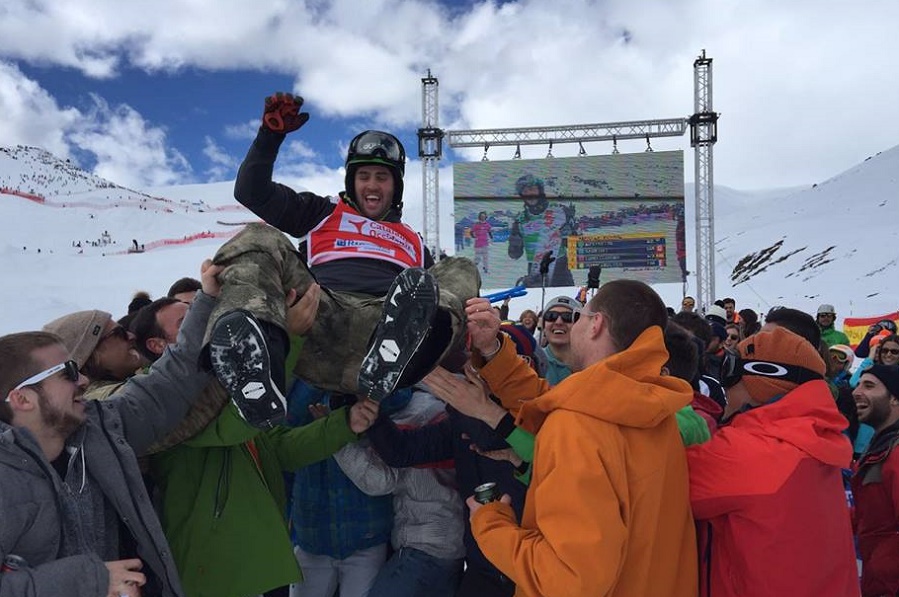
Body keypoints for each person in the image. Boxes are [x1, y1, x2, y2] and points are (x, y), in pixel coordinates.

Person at [204, 92, 478, 427]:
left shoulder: (414, 242)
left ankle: (405, 355)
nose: (372, 185)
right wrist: (269, 136)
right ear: (352, 180)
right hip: (320, 316)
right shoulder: (324, 211)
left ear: (396, 186)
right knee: (258, 237)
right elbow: (251, 193)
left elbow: (445, 291)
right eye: (364, 176)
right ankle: (256, 362)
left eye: (382, 177)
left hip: (380, 330)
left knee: (462, 268)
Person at [138, 287, 380, 597]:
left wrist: (345, 424)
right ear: (158, 345)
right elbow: (240, 423)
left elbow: (278, 449)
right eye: (187, 321)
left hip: (259, 560)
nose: (204, 324)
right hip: (214, 571)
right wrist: (288, 339)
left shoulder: (219, 388)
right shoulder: (156, 403)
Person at [461, 279, 698, 596]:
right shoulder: (651, 411)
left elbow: (569, 580)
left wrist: (491, 524)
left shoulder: (576, 427)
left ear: (596, 324)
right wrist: (492, 349)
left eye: (580, 316)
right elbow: (556, 399)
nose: (571, 325)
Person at [0, 260, 221, 597]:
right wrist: (89, 581)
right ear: (23, 398)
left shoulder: (99, 428)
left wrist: (207, 298)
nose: (84, 381)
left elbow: (170, 382)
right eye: (68, 373)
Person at [686, 327, 859, 596]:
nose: (726, 386)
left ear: (762, 379)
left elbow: (658, 478)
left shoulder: (750, 452)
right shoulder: (819, 438)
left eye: (731, 371)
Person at [851, 364, 899, 596]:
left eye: (869, 386)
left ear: (895, 399)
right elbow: (868, 513)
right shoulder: (881, 447)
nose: (856, 391)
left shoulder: (897, 452)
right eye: (858, 384)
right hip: (877, 581)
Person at [507, 173, 577, 287]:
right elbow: (514, 255)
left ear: (540, 191)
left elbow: (577, 244)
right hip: (535, 272)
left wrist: (569, 235)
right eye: (525, 191)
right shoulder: (520, 220)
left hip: (560, 269)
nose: (529, 194)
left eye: (532, 189)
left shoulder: (559, 212)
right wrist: (514, 244)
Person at [538, 295, 580, 385]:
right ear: (544, 326)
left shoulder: (592, 362)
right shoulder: (534, 362)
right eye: (551, 316)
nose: (559, 322)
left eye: (567, 317)